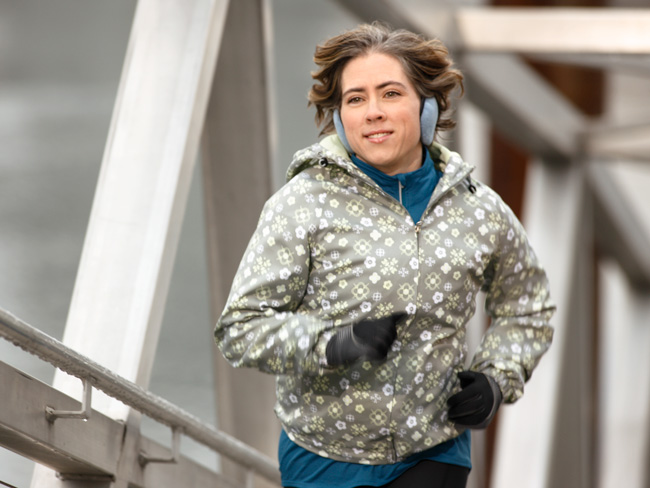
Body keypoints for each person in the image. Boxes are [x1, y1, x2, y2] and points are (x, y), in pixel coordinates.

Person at [215, 22, 555, 488]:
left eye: (391, 93)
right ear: (339, 118)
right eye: (355, 99)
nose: (372, 112)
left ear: (428, 107)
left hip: (434, 451)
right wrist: (333, 343)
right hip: (322, 457)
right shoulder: (301, 203)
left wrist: (497, 379)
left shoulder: (479, 209)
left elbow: (528, 305)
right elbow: (241, 328)